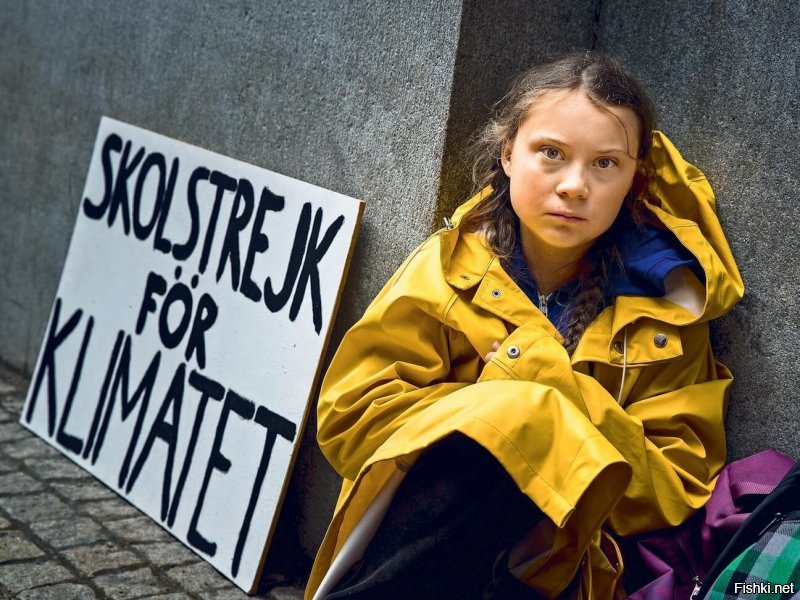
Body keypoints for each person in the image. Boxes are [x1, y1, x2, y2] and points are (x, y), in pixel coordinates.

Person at [304, 51, 744, 599]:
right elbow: (352, 417)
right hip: (417, 536)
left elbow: (676, 485)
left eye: (605, 163)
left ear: (635, 178)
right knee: (500, 436)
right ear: (509, 153)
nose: (574, 186)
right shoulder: (449, 268)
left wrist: (541, 383)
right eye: (551, 154)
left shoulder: (667, 311)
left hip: (559, 563)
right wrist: (501, 411)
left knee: (526, 419)